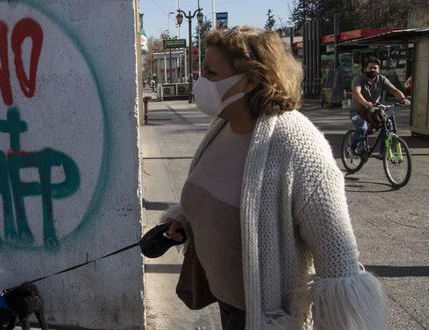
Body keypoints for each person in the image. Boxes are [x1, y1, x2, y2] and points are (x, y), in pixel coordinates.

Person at [162, 26, 388, 330]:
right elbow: (214, 195)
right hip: (225, 303)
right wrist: (183, 221)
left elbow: (339, 260)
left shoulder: (297, 144)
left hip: (265, 319)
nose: (200, 82)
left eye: (211, 74)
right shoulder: (222, 126)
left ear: (250, 80)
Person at [349, 57, 410, 156]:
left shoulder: (382, 79)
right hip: (357, 111)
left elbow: (394, 90)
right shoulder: (358, 79)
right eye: (370, 68)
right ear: (365, 69)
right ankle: (353, 146)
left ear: (379, 69)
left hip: (373, 110)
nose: (373, 70)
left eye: (375, 68)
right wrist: (365, 102)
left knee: (388, 125)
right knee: (362, 129)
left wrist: (403, 99)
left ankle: (383, 153)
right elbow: (356, 92)